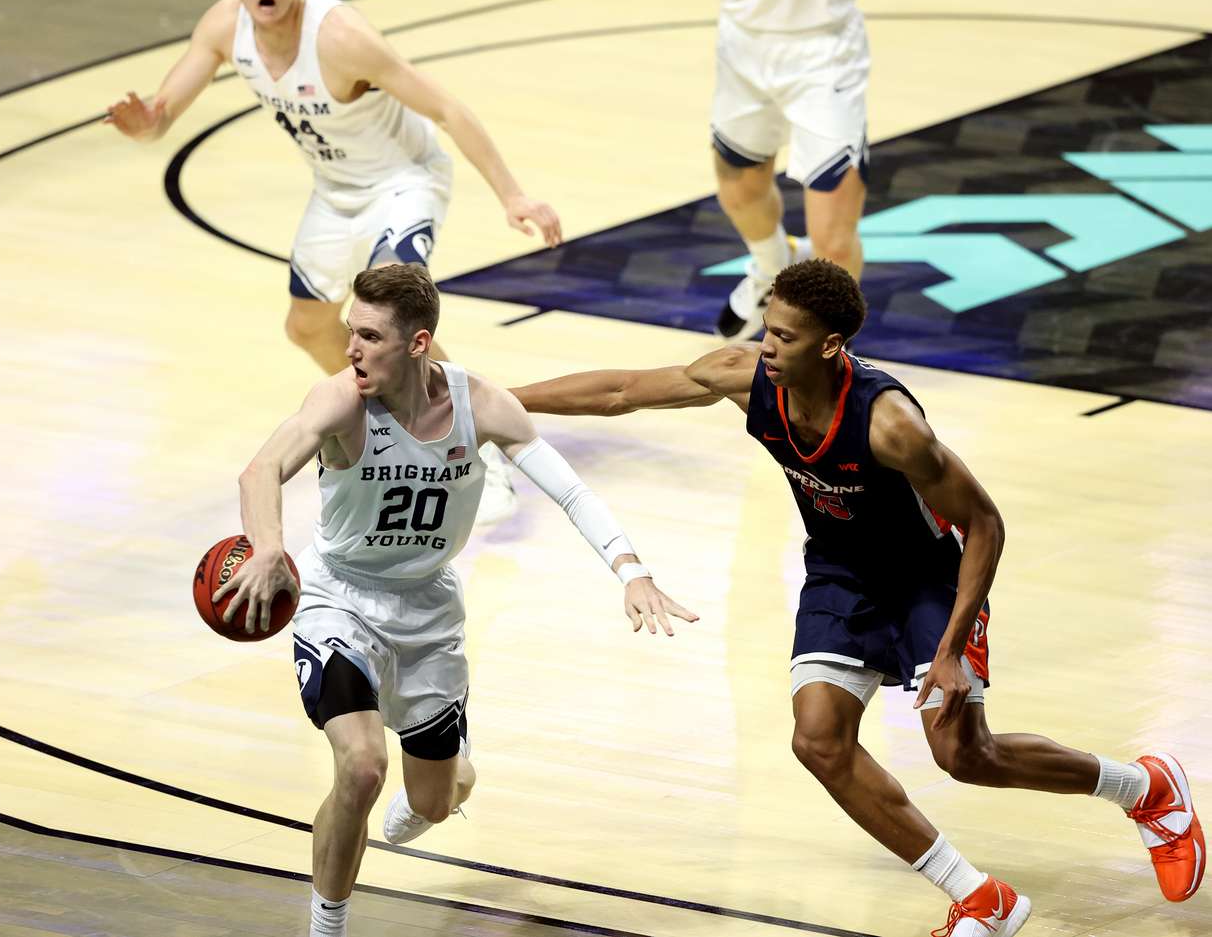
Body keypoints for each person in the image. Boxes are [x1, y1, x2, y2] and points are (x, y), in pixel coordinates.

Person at [510, 259, 1204, 936]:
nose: (768, 346)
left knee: (964, 756)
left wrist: (952, 648)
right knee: (818, 740)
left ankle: (1143, 786)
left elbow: (984, 521)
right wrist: (500, 402)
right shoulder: (743, 374)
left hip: (926, 578)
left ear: (831, 344)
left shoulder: (891, 424)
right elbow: (621, 390)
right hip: (839, 573)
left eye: (784, 336)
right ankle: (980, 897)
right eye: (768, 329)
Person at [215, 263, 696, 937]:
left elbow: (570, 490)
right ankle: (326, 927)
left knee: (434, 802)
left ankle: (449, 774)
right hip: (341, 599)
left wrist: (631, 569)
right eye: (351, 331)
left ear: (417, 344)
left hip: (428, 613)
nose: (351, 348)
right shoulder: (341, 399)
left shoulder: (482, 405)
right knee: (360, 767)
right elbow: (260, 467)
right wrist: (267, 545)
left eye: (370, 336)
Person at [106, 0, 560, 523]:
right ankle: (393, 424)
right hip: (335, 192)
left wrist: (513, 195)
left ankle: (474, 450)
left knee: (391, 318)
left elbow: (446, 109)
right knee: (308, 328)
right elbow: (159, 119)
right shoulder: (224, 26)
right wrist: (144, 126)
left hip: (403, 180)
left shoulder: (340, 36)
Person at [710, 0, 870, 340]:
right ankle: (772, 270)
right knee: (739, 191)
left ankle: (832, 360)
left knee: (833, 241)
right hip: (742, 42)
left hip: (825, 52)